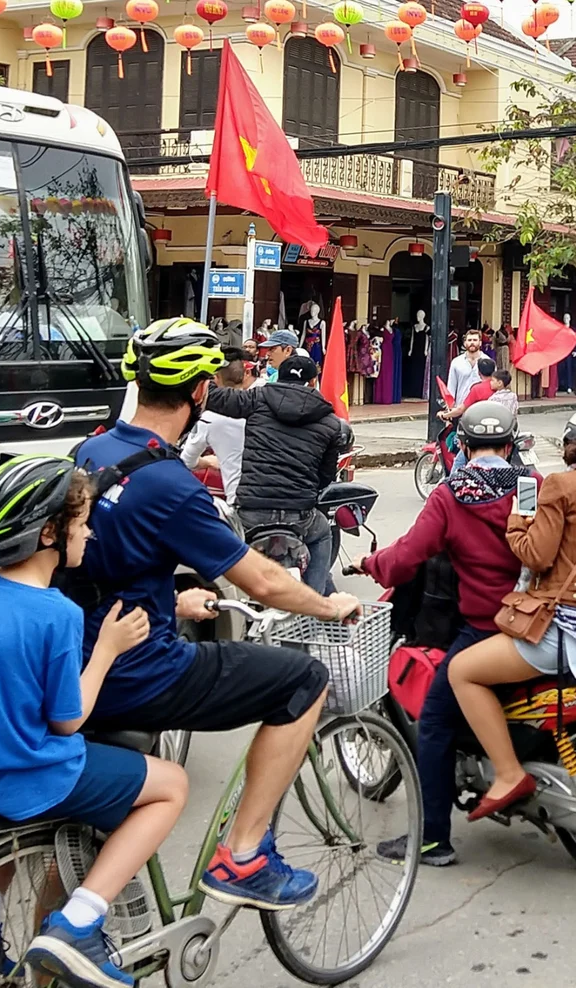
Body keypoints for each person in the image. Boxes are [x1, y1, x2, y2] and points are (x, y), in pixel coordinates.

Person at [74, 318, 361, 914]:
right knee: (302, 680)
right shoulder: (172, 484)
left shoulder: (93, 450)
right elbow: (259, 580)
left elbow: (104, 563)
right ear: (199, 392)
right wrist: (327, 603)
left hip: (81, 663)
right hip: (141, 671)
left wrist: (170, 599)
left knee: (85, 837)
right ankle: (245, 853)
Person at [0, 455, 187, 988]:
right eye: (83, 523)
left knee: (16, 803)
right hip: (22, 776)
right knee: (172, 786)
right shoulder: (56, 612)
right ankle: (81, 920)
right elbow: (68, 722)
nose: (89, 534)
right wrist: (108, 651)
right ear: (49, 533)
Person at [447, 408, 576, 822]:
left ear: (570, 445)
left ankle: (507, 774)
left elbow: (535, 554)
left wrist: (516, 523)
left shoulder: (560, 485)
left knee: (461, 671)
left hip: (567, 632)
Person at [358, 402, 539, 866]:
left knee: (434, 723)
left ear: (461, 444)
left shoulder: (450, 495)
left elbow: (407, 557)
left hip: (484, 628)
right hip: (542, 621)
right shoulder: (529, 486)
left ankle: (433, 838)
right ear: (510, 443)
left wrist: (372, 564)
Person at [210, 353, 351, 593]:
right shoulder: (330, 423)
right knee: (322, 534)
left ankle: (228, 605)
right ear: (313, 382)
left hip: (251, 512)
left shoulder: (256, 399)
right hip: (299, 514)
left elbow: (216, 398)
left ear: (279, 377)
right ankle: (314, 604)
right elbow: (325, 477)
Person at [180, 347, 249, 506]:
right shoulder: (264, 407)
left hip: (239, 501)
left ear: (216, 378)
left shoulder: (210, 419)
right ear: (245, 375)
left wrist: (208, 461)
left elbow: (186, 461)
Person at [447, 328, 484, 405]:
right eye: (469, 340)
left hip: (481, 408)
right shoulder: (456, 362)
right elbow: (451, 387)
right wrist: (450, 407)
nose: (472, 343)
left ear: (480, 343)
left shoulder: (488, 361)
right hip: (460, 406)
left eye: (475, 340)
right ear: (465, 343)